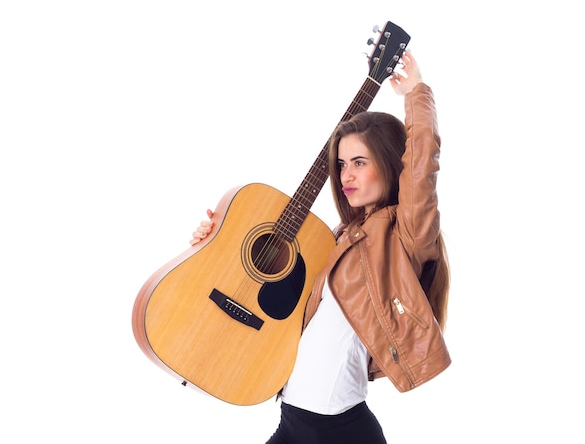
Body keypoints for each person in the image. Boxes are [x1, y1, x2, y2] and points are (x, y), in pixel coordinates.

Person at [190, 50, 450, 444]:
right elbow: (275, 298)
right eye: (342, 164)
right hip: (292, 420)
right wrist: (216, 239)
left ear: (389, 161)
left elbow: (421, 169)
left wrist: (416, 92)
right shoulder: (339, 236)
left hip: (341, 430)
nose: (346, 174)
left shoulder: (404, 234)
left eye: (360, 162)